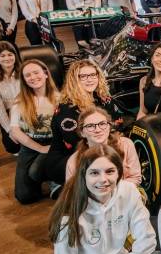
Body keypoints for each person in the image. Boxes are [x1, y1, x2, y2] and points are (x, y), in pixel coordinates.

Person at [44, 59, 113, 189]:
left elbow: (117, 121)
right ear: (74, 80)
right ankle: (63, 185)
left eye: (93, 75)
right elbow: (79, 143)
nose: (90, 79)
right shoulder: (66, 108)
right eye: (83, 76)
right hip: (68, 157)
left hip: (97, 148)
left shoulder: (102, 98)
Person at [10, 59, 60, 205]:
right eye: (28, 75)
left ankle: (55, 180)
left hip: (53, 143)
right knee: (24, 196)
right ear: (24, 80)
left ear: (45, 74)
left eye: (36, 72)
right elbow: (15, 130)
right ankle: (46, 177)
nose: (33, 77)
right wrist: (40, 148)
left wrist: (52, 148)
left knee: (35, 171)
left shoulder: (60, 98)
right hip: (30, 144)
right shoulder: (20, 101)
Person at [65, 107, 141, 185]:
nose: (98, 130)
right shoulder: (73, 162)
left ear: (109, 127)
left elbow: (135, 178)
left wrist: (114, 192)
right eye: (90, 126)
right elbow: (72, 191)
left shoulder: (126, 145)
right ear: (82, 133)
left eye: (102, 124)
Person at [0, 41, 23, 155]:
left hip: (27, 109)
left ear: (15, 56)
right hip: (9, 113)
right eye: (2, 56)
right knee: (12, 146)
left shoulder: (23, 71)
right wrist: (10, 129)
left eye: (10, 54)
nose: (7, 58)